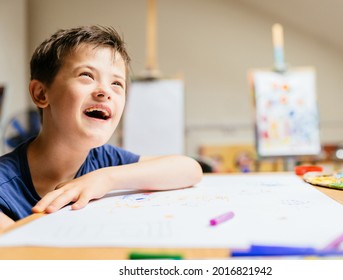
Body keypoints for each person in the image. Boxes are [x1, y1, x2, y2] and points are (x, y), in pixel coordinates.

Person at [0, 25, 203, 231]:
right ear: (41, 94)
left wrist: (105, 179)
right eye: (87, 75)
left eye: (117, 83)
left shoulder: (103, 161)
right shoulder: (4, 184)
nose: (105, 91)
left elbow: (189, 169)